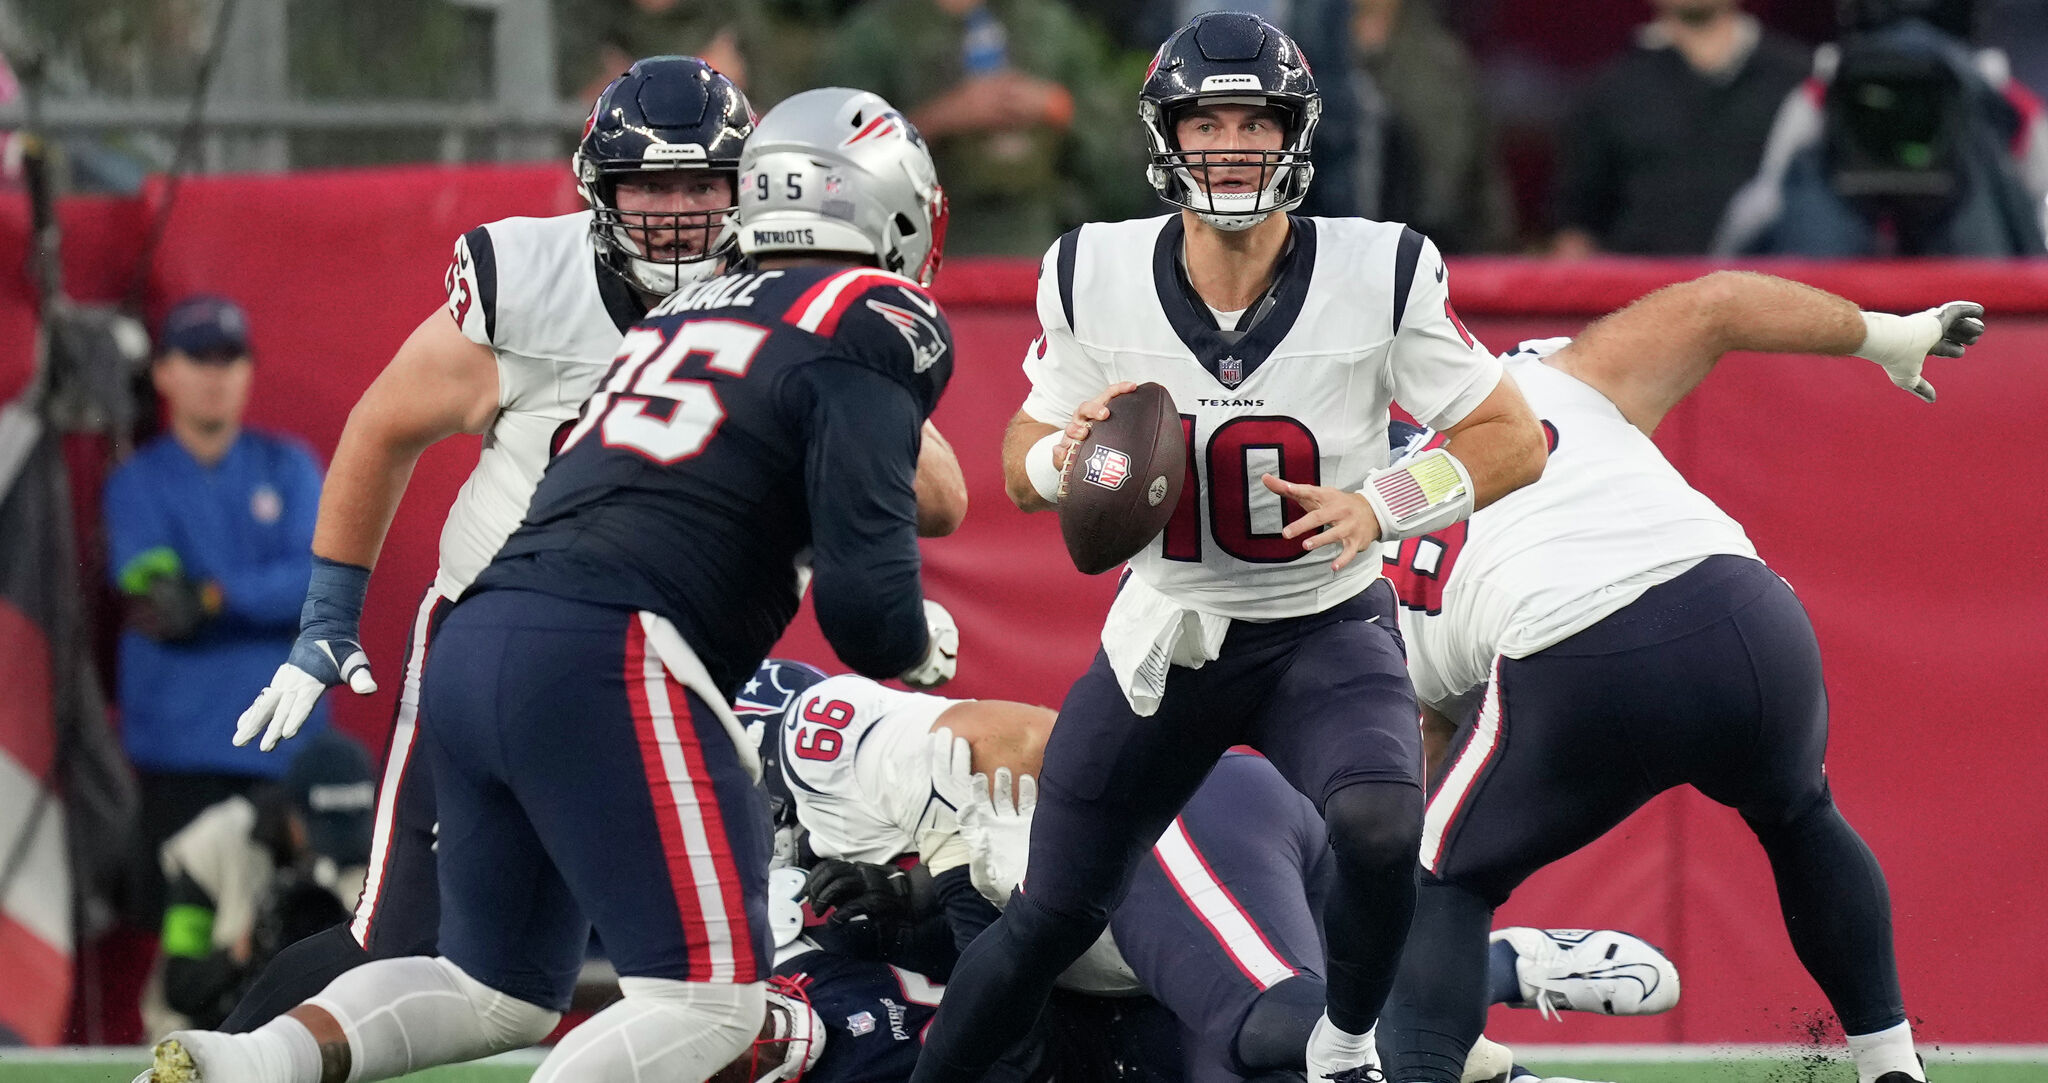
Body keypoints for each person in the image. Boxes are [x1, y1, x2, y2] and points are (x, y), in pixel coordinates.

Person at [146, 84, 958, 1083]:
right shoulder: (858, 313)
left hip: (487, 634)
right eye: (643, 190)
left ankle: (242, 1063)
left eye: (699, 186)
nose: (673, 216)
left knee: (497, 991)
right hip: (615, 650)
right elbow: (873, 597)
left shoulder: (688, 317)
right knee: (706, 1002)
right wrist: (907, 629)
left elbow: (930, 482)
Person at [914, 13, 1549, 1082]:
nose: (1229, 145)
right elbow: (1024, 453)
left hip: (1322, 624)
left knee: (1384, 827)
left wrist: (1384, 502)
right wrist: (1063, 464)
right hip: (1169, 632)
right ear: (1165, 137)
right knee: (1051, 914)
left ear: (1295, 134)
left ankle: (1345, 1048)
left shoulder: (1378, 269)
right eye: (1203, 121)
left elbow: (1511, 439)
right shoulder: (1091, 269)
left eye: (1253, 121)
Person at [1373, 273, 1985, 1083]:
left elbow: (1428, 748)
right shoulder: (1541, 376)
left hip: (1576, 656)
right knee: (1802, 814)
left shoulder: (1357, 541)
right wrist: (1887, 334)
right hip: (1747, 613)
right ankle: (1891, 1064)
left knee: (1432, 882)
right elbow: (1716, 306)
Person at [772, 668, 1679, 1083]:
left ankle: (1486, 997)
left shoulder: (856, 759)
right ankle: (1497, 981)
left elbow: (1039, 759)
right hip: (1171, 898)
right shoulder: (875, 860)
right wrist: (919, 899)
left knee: (1264, 1021)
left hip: (1180, 831)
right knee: (1253, 1049)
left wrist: (958, 876)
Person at [105, 294, 327, 923]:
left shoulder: (288, 467)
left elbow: (318, 582)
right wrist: (247, 596)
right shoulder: (137, 482)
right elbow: (160, 602)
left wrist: (215, 597)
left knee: (277, 940)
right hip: (179, 756)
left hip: (281, 753)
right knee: (185, 948)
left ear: (248, 370)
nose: (215, 374)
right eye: (196, 358)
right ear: (164, 373)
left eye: (229, 358)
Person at [821, 0, 1149, 255]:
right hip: (923, 248)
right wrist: (939, 118)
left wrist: (1056, 107)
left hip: (1041, 245)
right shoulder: (877, 34)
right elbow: (834, 160)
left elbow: (1123, 168)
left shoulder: (1048, 27)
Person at [142, 732, 375, 1036]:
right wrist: (241, 951)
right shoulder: (214, 845)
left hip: (333, 1032)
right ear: (291, 809)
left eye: (347, 830)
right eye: (324, 830)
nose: (332, 847)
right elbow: (179, 984)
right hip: (210, 1034)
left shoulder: (373, 852)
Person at [1551, 0, 1808, 256]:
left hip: (1773, 288)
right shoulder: (1609, 91)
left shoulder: (1803, 82)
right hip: (1643, 289)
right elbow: (1575, 228)